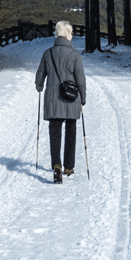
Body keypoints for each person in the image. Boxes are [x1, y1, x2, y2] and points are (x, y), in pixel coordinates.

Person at [35, 21, 87, 184]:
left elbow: (39, 76)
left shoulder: (48, 53)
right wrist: (83, 98)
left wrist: (39, 86)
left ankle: (56, 164)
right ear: (68, 35)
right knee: (71, 131)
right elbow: (80, 79)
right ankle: (69, 167)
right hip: (71, 98)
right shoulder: (75, 55)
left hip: (53, 98)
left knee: (55, 131)